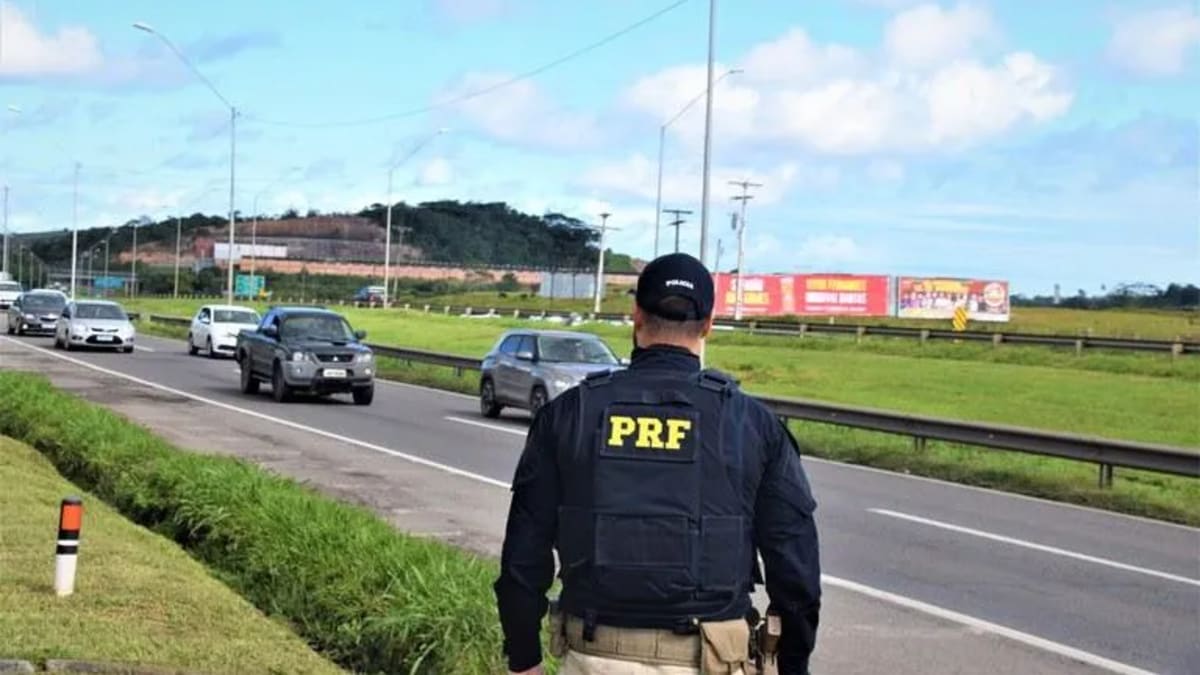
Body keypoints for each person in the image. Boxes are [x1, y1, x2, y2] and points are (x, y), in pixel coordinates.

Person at [494, 252, 821, 674]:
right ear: (707, 324)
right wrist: (793, 666)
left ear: (636, 317)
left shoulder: (571, 414)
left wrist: (524, 660)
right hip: (710, 661)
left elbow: (523, 557)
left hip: (594, 658)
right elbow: (796, 575)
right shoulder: (752, 424)